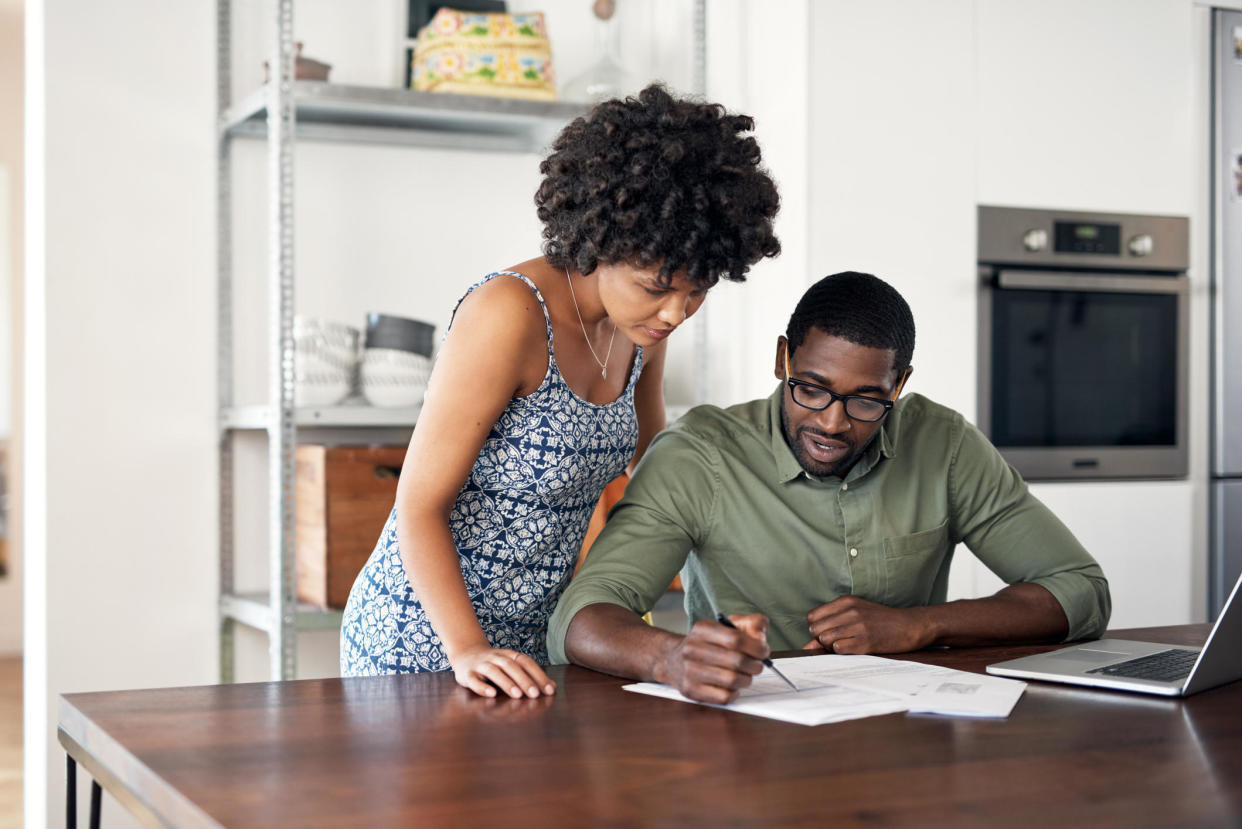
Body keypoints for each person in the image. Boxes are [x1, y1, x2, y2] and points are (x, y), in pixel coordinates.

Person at [339, 84, 782, 699]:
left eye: (698, 289)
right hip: (425, 636)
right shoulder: (510, 314)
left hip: (537, 640)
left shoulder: (642, 327)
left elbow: (655, 474)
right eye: (658, 286)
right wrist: (467, 648)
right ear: (600, 241)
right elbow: (417, 505)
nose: (678, 311)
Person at [547, 271, 1111, 704]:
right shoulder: (700, 455)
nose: (834, 423)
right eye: (812, 389)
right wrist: (671, 658)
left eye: (867, 399)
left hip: (907, 731)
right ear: (782, 359)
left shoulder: (943, 445)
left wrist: (920, 625)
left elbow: (1081, 591)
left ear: (900, 384)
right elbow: (582, 618)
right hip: (745, 734)